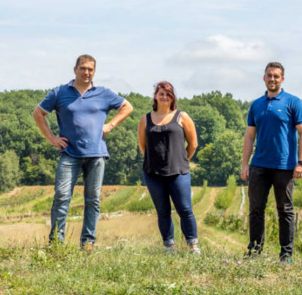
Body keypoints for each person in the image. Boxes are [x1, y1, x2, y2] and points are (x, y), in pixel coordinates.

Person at [33, 55, 133, 249]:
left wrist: (110, 125)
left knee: (93, 199)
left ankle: (88, 242)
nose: (86, 73)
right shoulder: (60, 92)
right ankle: (56, 243)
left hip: (96, 154)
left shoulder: (103, 93)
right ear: (75, 69)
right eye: (83, 69)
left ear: (94, 72)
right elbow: (38, 113)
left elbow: (127, 107)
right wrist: (52, 138)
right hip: (69, 153)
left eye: (90, 69)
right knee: (61, 196)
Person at [241, 62, 302, 264]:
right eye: (269, 75)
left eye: (276, 76)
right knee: (255, 209)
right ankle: (254, 251)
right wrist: (245, 164)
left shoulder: (293, 102)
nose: (272, 79)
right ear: (264, 78)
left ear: (282, 79)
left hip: (284, 166)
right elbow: (249, 136)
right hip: (259, 165)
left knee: (285, 210)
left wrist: (301, 162)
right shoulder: (256, 105)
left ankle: (286, 254)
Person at [137, 81, 200, 254]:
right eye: (161, 93)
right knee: (163, 211)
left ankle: (193, 245)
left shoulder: (182, 117)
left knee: (185, 209)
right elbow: (143, 146)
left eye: (168, 94)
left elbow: (193, 144)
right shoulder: (145, 119)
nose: (164, 97)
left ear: (173, 98)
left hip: (178, 172)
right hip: (153, 173)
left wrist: (181, 160)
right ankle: (169, 246)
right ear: (155, 96)